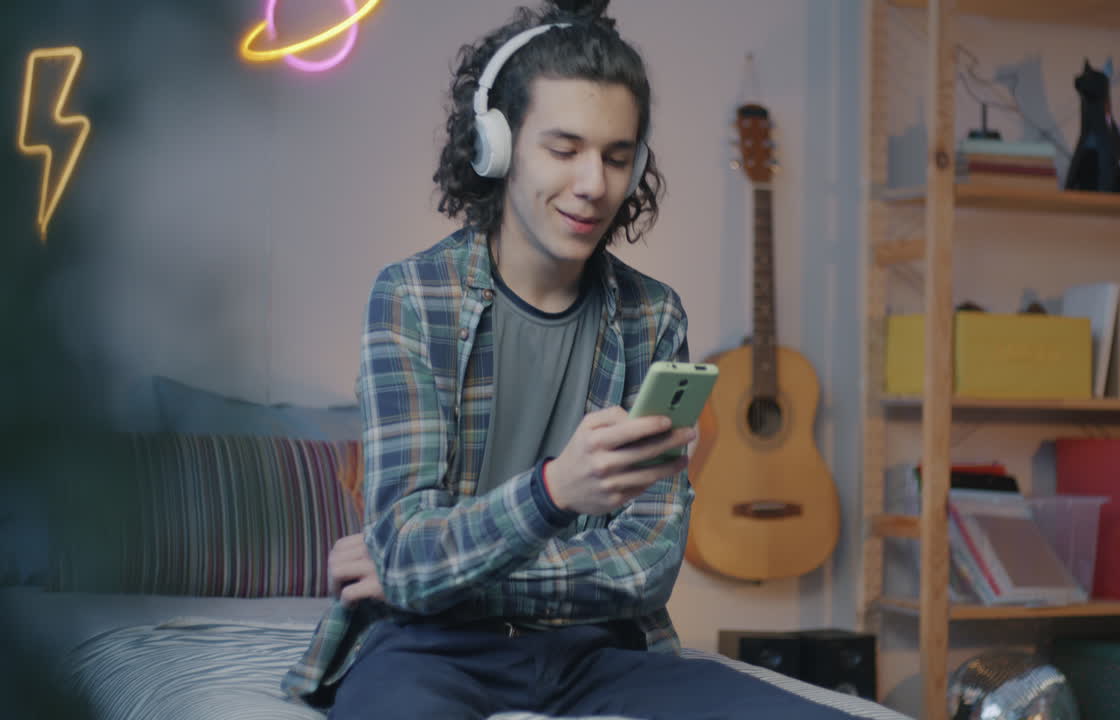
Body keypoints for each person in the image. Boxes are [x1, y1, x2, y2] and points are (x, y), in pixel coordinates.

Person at [282, 2, 865, 718]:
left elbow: (644, 569)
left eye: (618, 157)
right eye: (564, 150)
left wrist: (443, 570)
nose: (595, 183)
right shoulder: (412, 298)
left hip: (606, 654)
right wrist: (555, 492)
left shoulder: (654, 316)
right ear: (496, 146)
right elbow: (409, 559)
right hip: (429, 650)